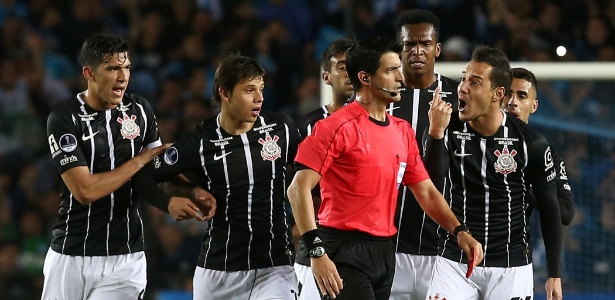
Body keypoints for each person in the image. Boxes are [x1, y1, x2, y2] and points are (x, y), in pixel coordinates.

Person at [287, 37, 483, 300]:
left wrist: (459, 230)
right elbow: (297, 189)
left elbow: (425, 191)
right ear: (365, 78)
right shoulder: (335, 127)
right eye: (391, 71)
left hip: (385, 253)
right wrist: (316, 250)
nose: (400, 78)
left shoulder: (402, 132)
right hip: (342, 251)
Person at [42, 33, 206, 300]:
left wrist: (190, 192)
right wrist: (140, 159)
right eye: (112, 69)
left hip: (126, 258)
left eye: (126, 67)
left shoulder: (140, 110)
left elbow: (158, 172)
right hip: (71, 255)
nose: (122, 77)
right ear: (89, 73)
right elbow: (85, 190)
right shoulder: (64, 119)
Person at [133, 54, 300, 299]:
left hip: (275, 268)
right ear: (225, 93)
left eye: (261, 89)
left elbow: (308, 175)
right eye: (249, 90)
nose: (259, 98)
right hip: (219, 272)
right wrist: (172, 200)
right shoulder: (200, 141)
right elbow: (143, 176)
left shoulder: (281, 129)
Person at [424, 46, 564, 300]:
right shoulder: (446, 128)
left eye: (475, 82)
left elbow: (551, 207)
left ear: (497, 94)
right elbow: (432, 184)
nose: (463, 87)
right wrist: (435, 136)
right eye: (464, 78)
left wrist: (555, 273)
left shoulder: (530, 142)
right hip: (454, 261)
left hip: (510, 266)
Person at [388, 10, 460, 300]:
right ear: (400, 49)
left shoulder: (459, 98)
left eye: (425, 44)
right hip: (388, 245)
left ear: (437, 49)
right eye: (409, 44)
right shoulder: (382, 96)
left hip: (442, 248)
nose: (417, 51)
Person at [294, 38, 354, 300]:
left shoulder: (383, 124)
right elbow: (291, 186)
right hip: (317, 244)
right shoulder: (306, 127)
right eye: (342, 67)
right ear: (326, 77)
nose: (350, 73)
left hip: (364, 246)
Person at [501, 67, 575, 225]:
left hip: (516, 246)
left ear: (534, 106)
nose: (513, 102)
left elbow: (567, 212)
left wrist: (522, 185)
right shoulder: (472, 142)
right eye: (508, 93)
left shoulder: (544, 153)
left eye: (522, 96)